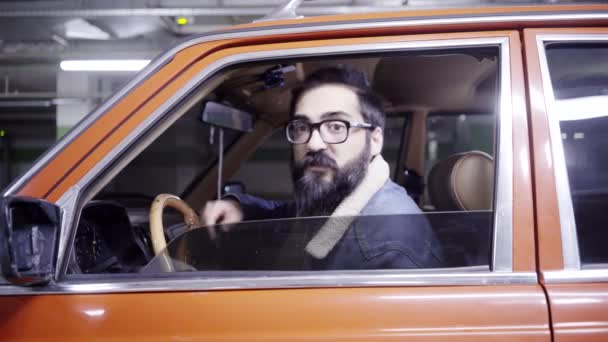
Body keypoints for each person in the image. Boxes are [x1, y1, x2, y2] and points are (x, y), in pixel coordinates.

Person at [201, 66, 443, 269]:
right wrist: (239, 207)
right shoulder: (346, 201)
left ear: (375, 140)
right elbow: (291, 216)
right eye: (302, 127)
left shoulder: (387, 244)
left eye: (336, 126)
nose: (313, 143)